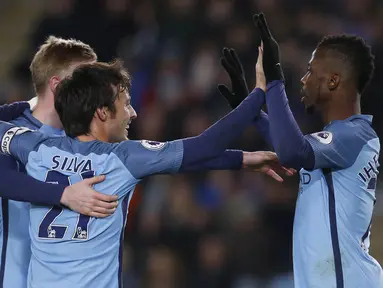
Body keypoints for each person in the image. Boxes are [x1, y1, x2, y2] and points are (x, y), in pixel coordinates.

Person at [0, 56, 293, 287]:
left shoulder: (36, 147)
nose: (133, 114)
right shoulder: (123, 158)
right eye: (126, 105)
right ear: (102, 112)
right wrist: (257, 95)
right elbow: (205, 145)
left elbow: (189, 158)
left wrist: (240, 159)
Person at [253, 12, 382, 288]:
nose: (303, 79)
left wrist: (275, 78)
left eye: (311, 71)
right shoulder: (338, 141)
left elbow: (291, 151)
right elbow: (289, 145)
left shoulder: (354, 135)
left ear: (333, 81)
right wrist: (251, 108)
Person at [0, 37, 119, 288]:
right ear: (57, 85)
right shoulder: (11, 133)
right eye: (86, 78)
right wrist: (63, 193)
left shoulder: (88, 141)